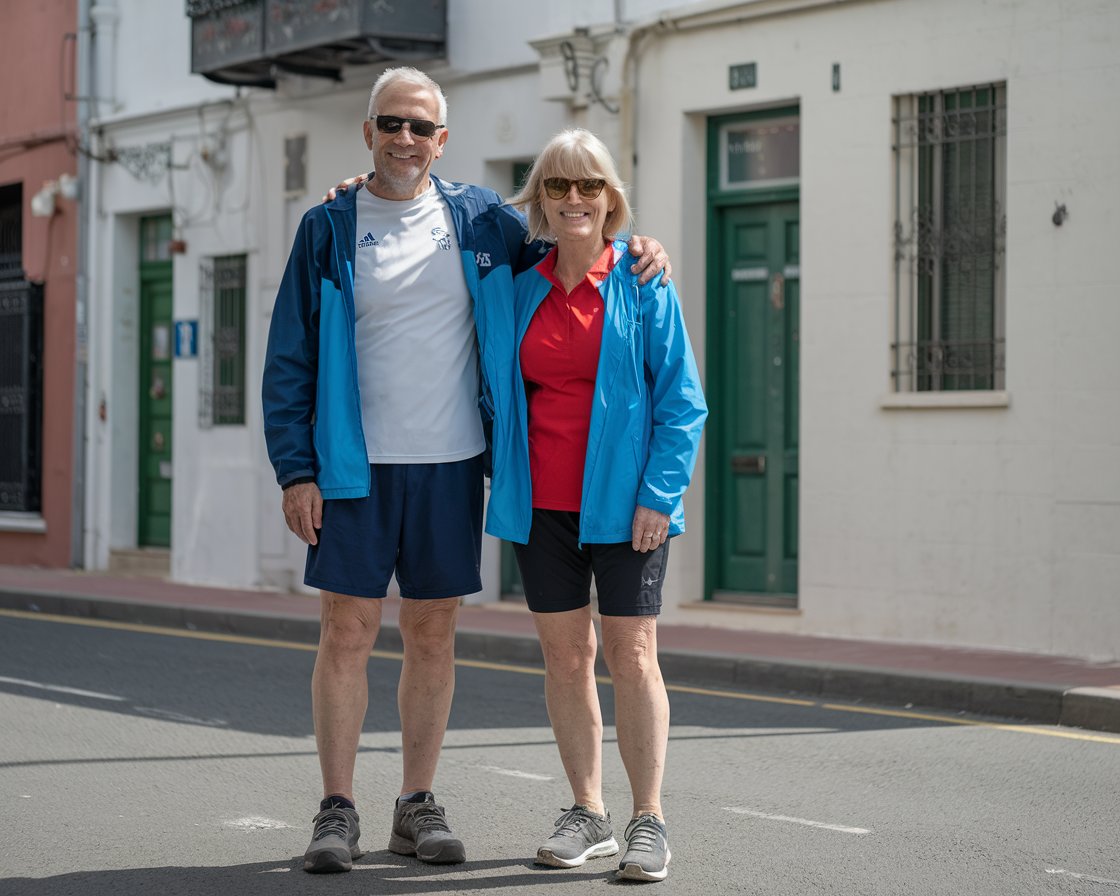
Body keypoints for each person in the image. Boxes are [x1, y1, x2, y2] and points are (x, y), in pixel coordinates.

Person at [262, 68, 671, 874]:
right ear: (369, 130)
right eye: (392, 124)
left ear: (442, 140)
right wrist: (295, 469)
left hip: (453, 466)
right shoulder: (328, 227)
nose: (405, 139)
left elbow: (574, 235)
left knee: (433, 633)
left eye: (420, 127)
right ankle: (336, 808)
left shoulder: (483, 221)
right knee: (346, 631)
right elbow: (289, 357)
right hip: (354, 469)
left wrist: (640, 246)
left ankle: (416, 803)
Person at [480, 129, 707, 882]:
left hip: (627, 507)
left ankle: (650, 819)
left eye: (589, 187)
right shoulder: (518, 288)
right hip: (541, 505)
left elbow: (683, 405)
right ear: (540, 199)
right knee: (565, 657)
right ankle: (589, 811)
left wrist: (659, 495)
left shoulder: (643, 281)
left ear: (611, 199)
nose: (573, 199)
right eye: (557, 187)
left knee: (631, 654)